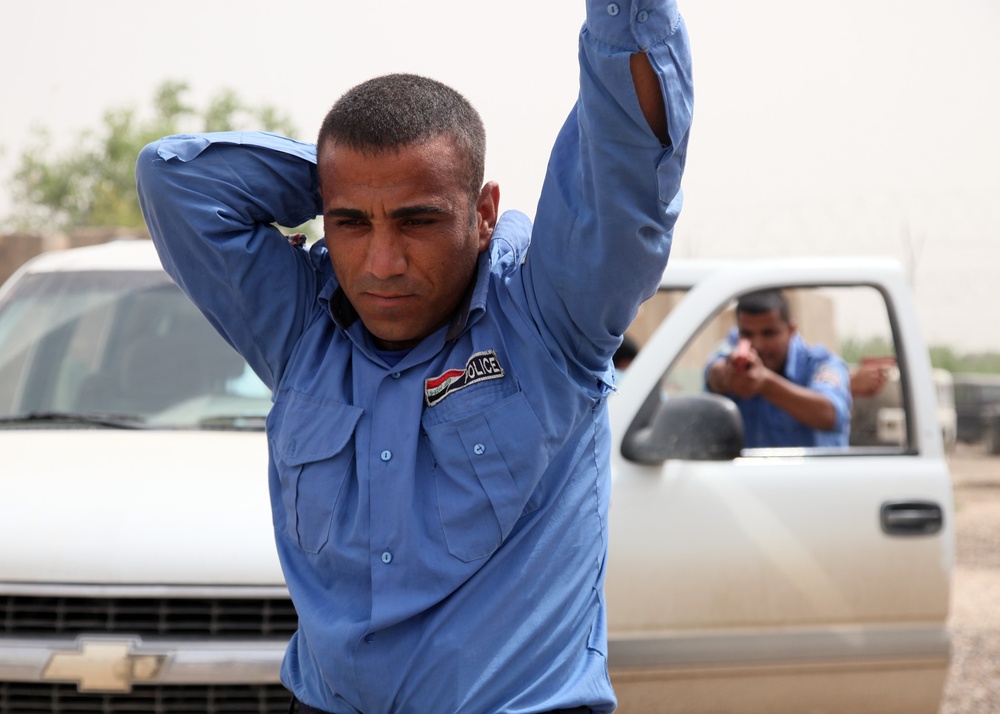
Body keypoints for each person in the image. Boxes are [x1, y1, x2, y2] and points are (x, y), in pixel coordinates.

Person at [136, 3, 692, 711]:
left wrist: (397, 178)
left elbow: (626, 158)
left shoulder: (551, 321)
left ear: (483, 210)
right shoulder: (300, 331)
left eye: (418, 218)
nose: (382, 261)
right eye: (351, 224)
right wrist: (358, 175)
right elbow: (173, 181)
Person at [705, 289, 852, 448]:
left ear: (791, 330)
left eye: (769, 333)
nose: (758, 344)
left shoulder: (821, 362)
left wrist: (766, 384)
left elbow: (830, 414)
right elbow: (714, 372)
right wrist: (728, 376)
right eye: (748, 334)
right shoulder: (730, 351)